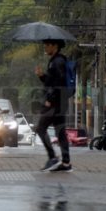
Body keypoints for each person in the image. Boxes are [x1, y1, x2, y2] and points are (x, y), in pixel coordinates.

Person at [34, 39, 72, 172]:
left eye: (47, 45)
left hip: (55, 102)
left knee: (40, 128)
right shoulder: (57, 61)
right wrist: (42, 76)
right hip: (60, 102)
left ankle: (52, 157)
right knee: (60, 131)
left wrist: (50, 98)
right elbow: (51, 81)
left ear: (55, 46)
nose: (45, 47)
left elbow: (59, 83)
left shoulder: (57, 62)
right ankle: (66, 163)